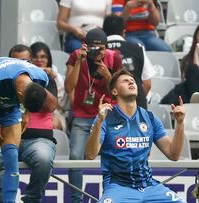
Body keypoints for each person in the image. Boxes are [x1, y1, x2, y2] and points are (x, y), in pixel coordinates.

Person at [85, 70, 186, 202]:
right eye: (125, 81)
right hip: (118, 186)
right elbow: (90, 155)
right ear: (115, 91)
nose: (131, 82)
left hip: (149, 186)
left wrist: (180, 123)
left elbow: (173, 155)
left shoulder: (149, 118)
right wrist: (99, 121)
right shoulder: (105, 118)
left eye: (132, 80)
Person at [0, 56, 58, 203]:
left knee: (11, 159)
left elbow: (36, 98)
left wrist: (27, 113)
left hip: (8, 111)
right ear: (20, 94)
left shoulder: (41, 78)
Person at [64, 28, 122, 202]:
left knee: (110, 157)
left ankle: (109, 197)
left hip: (107, 115)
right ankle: (76, 199)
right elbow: (68, 87)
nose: (98, 52)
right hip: (82, 116)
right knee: (75, 157)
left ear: (106, 47)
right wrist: (80, 61)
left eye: (101, 48)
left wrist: (107, 75)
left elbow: (119, 90)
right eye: (93, 48)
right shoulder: (76, 55)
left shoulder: (114, 57)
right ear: (86, 46)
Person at [103, 14, 155, 109]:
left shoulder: (99, 51)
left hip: (106, 108)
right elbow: (147, 84)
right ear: (123, 32)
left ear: (103, 32)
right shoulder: (138, 48)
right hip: (136, 108)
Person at [30, 42, 66, 130]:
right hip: (29, 111)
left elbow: (61, 104)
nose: (39, 60)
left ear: (48, 59)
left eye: (43, 57)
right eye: (35, 56)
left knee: (53, 124)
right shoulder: (25, 75)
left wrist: (54, 79)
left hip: (54, 113)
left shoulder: (56, 76)